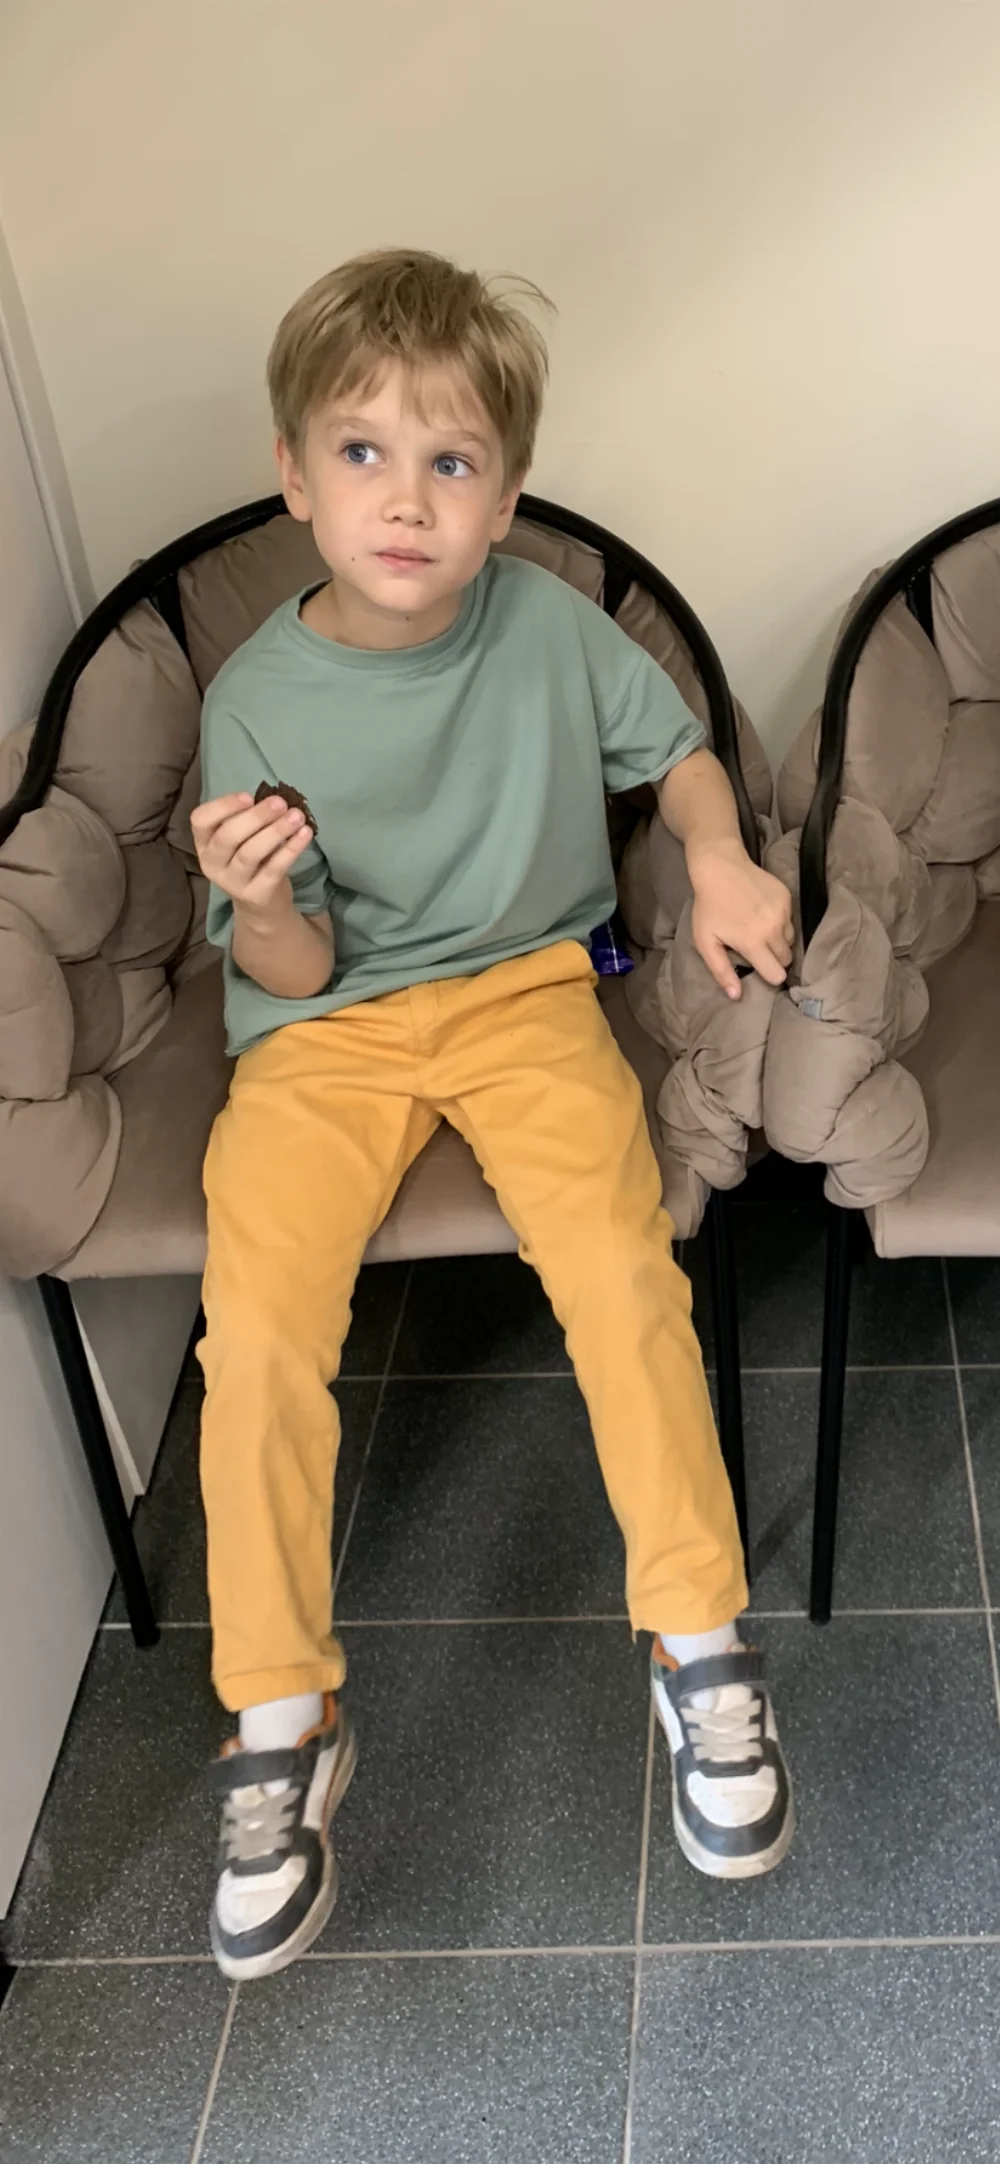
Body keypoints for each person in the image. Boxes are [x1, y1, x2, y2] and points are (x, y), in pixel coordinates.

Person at [192, 248, 795, 1984]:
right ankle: (282, 1719)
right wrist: (266, 897)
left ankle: (697, 1642)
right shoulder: (253, 700)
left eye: (450, 462)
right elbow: (294, 968)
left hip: (530, 990)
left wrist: (715, 853)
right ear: (295, 479)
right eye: (363, 454)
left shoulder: (544, 620)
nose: (407, 499)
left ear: (506, 497)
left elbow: (676, 752)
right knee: (259, 1332)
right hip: (323, 1032)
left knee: (622, 1271)